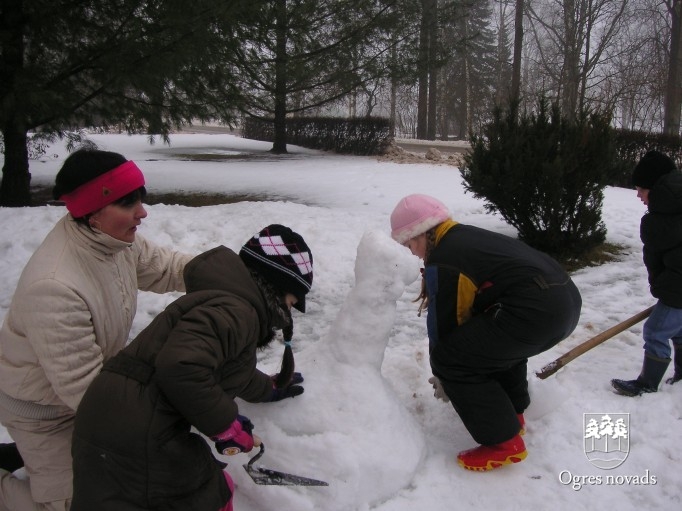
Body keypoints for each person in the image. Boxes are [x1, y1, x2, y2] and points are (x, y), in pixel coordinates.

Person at [0, 149, 194, 511]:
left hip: (85, 394)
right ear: (92, 213)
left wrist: (231, 272)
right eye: (127, 202)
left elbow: (167, 266)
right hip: (44, 413)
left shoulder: (114, 241)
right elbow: (87, 395)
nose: (142, 212)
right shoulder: (55, 286)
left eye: (141, 198)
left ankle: (37, 459)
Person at [70, 224, 313, 511]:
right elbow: (181, 366)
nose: (287, 313)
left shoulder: (231, 304)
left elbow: (230, 368)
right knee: (209, 497)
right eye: (291, 301)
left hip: (117, 415)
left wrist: (268, 388)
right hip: (139, 431)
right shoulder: (237, 312)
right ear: (275, 286)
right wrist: (225, 426)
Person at [390, 194, 582, 472]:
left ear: (423, 233)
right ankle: (513, 415)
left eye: (410, 243)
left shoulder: (445, 257)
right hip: (563, 304)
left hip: (537, 312)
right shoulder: (463, 236)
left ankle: (503, 443)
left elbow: (446, 325)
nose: (411, 252)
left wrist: (446, 374)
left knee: (450, 357)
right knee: (492, 341)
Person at [611, 150, 682, 396]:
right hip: (675, 286)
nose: (638, 195)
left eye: (641, 189)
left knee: (656, 331)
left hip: (678, 288)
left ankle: (647, 384)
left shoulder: (668, 214)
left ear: (656, 187)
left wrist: (667, 288)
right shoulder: (670, 209)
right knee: (679, 329)